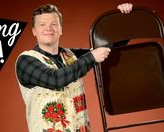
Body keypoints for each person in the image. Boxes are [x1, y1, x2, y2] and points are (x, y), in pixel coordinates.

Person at [16, 3, 133, 132]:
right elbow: (55, 79)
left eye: (54, 24)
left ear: (61, 29)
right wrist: (91, 57)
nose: (48, 28)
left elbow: (109, 48)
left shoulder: (71, 56)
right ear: (34, 31)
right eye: (42, 24)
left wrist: (123, 18)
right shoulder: (25, 60)